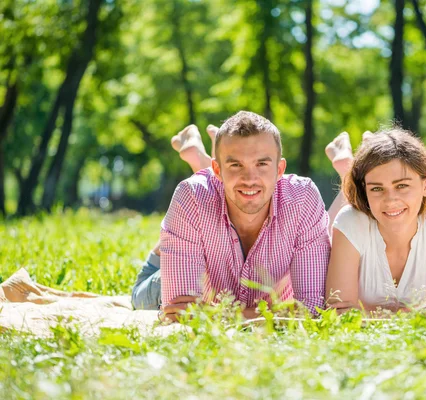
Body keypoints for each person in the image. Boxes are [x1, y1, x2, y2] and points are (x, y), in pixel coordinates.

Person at [132, 111, 352, 322]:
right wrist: (273, 316)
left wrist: (219, 315)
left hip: (226, 272)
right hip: (169, 272)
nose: (250, 177)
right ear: (217, 170)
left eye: (262, 164)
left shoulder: (301, 197)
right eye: (236, 164)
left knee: (322, 229)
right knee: (140, 297)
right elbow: (180, 313)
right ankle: (201, 165)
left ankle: (202, 161)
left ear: (279, 169)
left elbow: (312, 310)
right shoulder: (190, 195)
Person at [325, 127, 426, 314]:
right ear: (365, 191)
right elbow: (337, 311)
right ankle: (347, 169)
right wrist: (414, 316)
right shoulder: (349, 222)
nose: (390, 200)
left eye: (402, 185)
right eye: (377, 188)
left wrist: (380, 316)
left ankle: (359, 157)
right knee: (327, 226)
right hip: (346, 224)